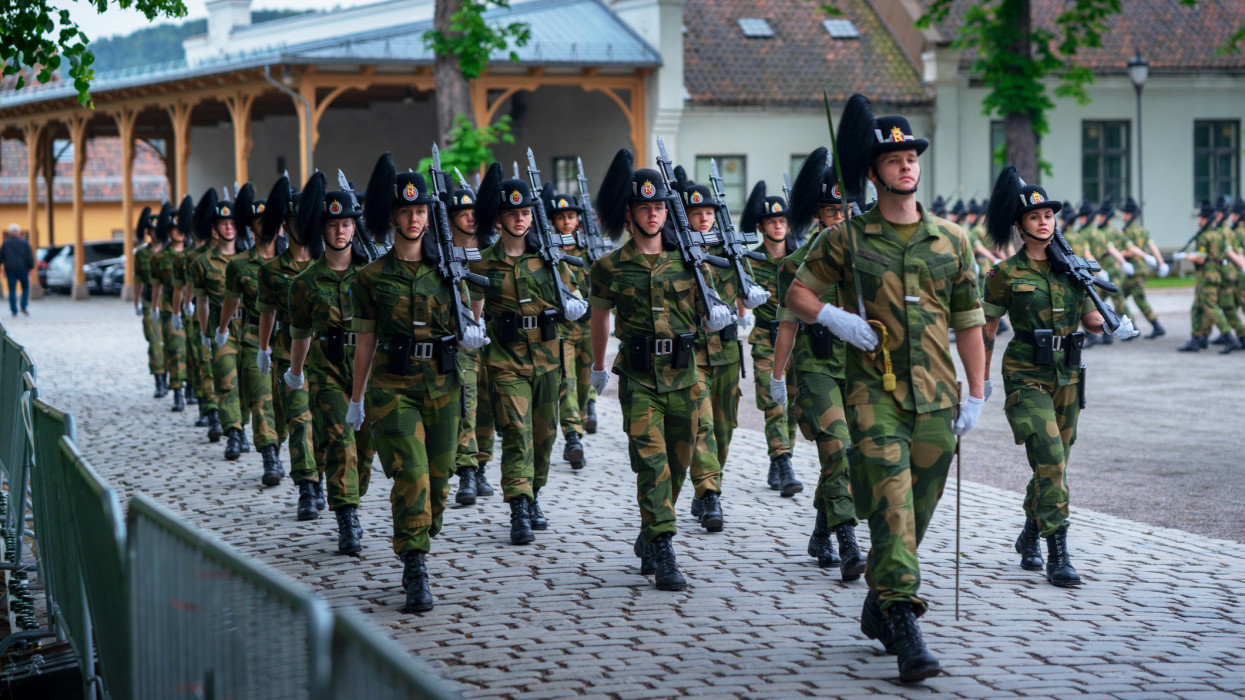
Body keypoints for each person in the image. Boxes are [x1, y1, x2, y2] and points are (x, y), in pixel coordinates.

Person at [785, 94, 986, 682]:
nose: (905, 164)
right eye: (892, 158)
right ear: (872, 173)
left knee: (917, 511)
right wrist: (833, 317)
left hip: (938, 399)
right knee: (892, 507)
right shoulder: (847, 238)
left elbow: (969, 320)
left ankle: (880, 597)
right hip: (874, 396)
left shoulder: (952, 240)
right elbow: (796, 293)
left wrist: (977, 392)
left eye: (910, 156)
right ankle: (904, 622)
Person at [979, 166, 1136, 588]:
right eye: (1034, 216)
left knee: (1056, 464)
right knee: (1049, 456)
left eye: (1048, 215)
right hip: (1026, 373)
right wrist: (982, 381)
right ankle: (1058, 551)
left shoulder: (1073, 269)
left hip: (1068, 373)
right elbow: (986, 329)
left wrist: (1113, 325)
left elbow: (1089, 317)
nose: (1043, 221)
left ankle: (1030, 532)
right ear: (1019, 225)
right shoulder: (1003, 274)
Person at [589, 148, 734, 591]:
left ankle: (653, 527)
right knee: (651, 465)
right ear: (629, 214)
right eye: (644, 208)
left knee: (679, 460)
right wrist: (596, 368)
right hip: (638, 377)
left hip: (686, 375)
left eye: (659, 207)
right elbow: (599, 319)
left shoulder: (690, 260)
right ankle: (665, 547)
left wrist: (719, 316)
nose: (653, 215)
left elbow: (710, 306)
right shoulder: (610, 266)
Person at [351, 152, 488, 611]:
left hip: (444, 384)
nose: (414, 218)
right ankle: (415, 565)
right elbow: (365, 343)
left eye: (421, 211)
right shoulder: (371, 277)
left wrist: (474, 328)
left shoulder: (450, 270)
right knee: (411, 475)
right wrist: (356, 398)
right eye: (406, 211)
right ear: (392, 217)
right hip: (393, 388)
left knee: (439, 478)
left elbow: (471, 320)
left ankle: (421, 531)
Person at [469, 161, 588, 545]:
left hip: (549, 358)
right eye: (511, 214)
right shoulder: (485, 261)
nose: (519, 220)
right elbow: (473, 306)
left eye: (525, 213)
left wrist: (574, 305)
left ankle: (534, 492)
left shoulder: (550, 259)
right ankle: (518, 504)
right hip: (506, 360)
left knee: (545, 435)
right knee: (517, 432)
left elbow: (572, 298)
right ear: (500, 219)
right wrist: (472, 332)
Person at [771, 147, 865, 581]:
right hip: (817, 366)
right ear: (819, 214)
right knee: (838, 450)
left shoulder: (869, 258)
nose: (839, 218)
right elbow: (788, 324)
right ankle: (847, 541)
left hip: (862, 370)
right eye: (830, 211)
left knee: (856, 457)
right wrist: (776, 377)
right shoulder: (797, 262)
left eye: (845, 209)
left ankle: (821, 527)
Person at [287, 170, 377, 556]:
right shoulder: (305, 282)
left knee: (365, 448)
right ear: (321, 230)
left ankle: (351, 495)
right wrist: (295, 372)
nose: (341, 232)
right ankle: (347, 517)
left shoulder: (373, 274)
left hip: (369, 371)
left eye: (346, 224)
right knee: (341, 444)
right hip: (327, 371)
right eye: (333, 225)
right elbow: (302, 332)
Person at [676, 176, 768, 532]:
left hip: (728, 352)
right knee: (703, 424)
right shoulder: (677, 255)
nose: (704, 219)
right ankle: (710, 493)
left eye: (709, 212)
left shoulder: (729, 252)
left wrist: (747, 313)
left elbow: (745, 295)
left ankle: (704, 491)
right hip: (695, 354)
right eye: (696, 213)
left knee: (725, 428)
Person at [258, 175, 325, 516]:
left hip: (330, 357)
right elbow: (267, 311)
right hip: (289, 352)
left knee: (329, 426)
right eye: (295, 221)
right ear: (285, 226)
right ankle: (307, 487)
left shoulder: (331, 265)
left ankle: (324, 476)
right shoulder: (271, 271)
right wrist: (263, 347)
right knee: (300, 420)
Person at [219, 183, 285, 486]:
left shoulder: (293, 261)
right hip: (252, 338)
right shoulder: (240, 264)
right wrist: (222, 329)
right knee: (261, 399)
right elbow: (231, 300)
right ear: (252, 227)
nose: (265, 227)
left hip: (288, 341)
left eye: (270, 221)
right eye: (259, 223)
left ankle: (279, 441)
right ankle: (269, 454)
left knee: (286, 406)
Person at [741, 181, 802, 496]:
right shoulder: (749, 262)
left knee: (793, 405)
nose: (778, 226)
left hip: (798, 341)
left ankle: (781, 456)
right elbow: (738, 297)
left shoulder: (801, 259)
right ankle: (783, 460)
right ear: (761, 227)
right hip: (766, 338)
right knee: (774, 402)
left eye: (782, 221)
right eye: (772, 222)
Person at [191, 188, 250, 460]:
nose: (229, 227)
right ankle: (233, 433)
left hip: (249, 328)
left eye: (232, 223)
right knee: (227, 381)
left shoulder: (250, 258)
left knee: (248, 385)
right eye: (223, 223)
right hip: (221, 329)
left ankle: (243, 424)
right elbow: (201, 302)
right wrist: (206, 333)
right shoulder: (202, 262)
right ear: (215, 228)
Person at [446, 181, 495, 504]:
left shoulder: (491, 250)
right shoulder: (443, 251)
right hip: (463, 338)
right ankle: (466, 470)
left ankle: (481, 465)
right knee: (467, 402)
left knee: (488, 407)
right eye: (462, 214)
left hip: (497, 340)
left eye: (473, 213)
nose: (470, 219)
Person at [540, 185, 589, 470]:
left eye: (571, 215)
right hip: (561, 331)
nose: (566, 221)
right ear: (553, 222)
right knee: (566, 382)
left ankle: (578, 423)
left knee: (583, 387)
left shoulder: (588, 251)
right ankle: (573, 436)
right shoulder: (549, 253)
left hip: (587, 328)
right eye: (560, 217)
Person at [1175, 201, 1238, 352]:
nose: (1198, 220)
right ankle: (1197, 339)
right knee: (1197, 308)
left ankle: (1229, 337)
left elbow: (1201, 258)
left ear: (1205, 219)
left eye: (1201, 217)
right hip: (1213, 275)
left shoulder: (1204, 236)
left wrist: (1186, 256)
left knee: (1211, 309)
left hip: (1206, 276)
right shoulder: (1218, 234)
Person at [150, 201, 192, 416]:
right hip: (170, 308)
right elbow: (156, 284)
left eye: (182, 229)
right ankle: (177, 390)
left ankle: (193, 388)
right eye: (175, 229)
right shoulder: (159, 258)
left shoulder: (195, 254)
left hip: (194, 308)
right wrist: (154, 307)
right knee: (175, 349)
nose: (179, 233)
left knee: (193, 350)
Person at [1116, 197, 1168, 339]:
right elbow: (1152, 246)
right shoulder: (1141, 230)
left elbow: (1130, 251)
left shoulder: (1126, 232)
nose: (1122, 216)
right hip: (1140, 269)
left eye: (1124, 213)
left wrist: (1118, 254)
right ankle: (1146, 327)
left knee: (1126, 298)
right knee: (1123, 297)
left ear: (1128, 214)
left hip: (1134, 270)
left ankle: (1140, 328)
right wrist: (1160, 262)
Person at [132, 208, 167, 397]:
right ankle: (159, 379)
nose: (154, 234)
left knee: (170, 340)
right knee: (154, 341)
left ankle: (173, 375)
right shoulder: (142, 254)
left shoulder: (170, 252)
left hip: (168, 301)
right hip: (148, 300)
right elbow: (137, 278)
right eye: (151, 231)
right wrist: (136, 302)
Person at [1, 224, 33, 317]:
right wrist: (30, 267)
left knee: (12, 290)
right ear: (18, 232)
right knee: (25, 288)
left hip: (10, 270)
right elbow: (29, 256)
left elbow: (1, 256)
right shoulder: (24, 242)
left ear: (10, 233)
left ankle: (14, 310)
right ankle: (23, 307)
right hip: (23, 269)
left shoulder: (6, 243)